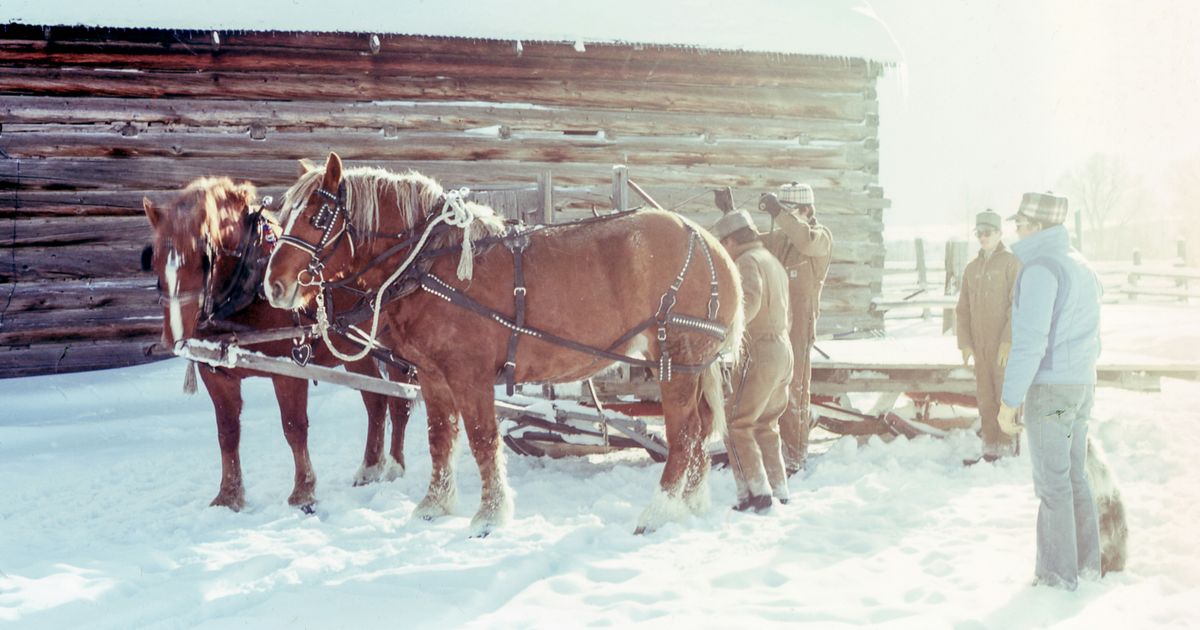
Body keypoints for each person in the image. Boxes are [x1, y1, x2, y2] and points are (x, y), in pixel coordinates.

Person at [997, 191, 1103, 590]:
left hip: (1053, 397)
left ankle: (1058, 576)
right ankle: (1088, 565)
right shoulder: (1081, 264)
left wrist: (1009, 402)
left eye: (1020, 224)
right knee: (1075, 476)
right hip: (1079, 389)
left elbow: (1030, 343)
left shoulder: (1041, 268)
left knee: (1053, 481)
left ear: (1037, 227)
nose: (1016, 231)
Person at [712, 209, 793, 512]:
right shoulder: (772, 261)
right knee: (765, 424)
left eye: (723, 245)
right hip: (782, 349)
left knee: (736, 423)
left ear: (731, 241)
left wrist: (724, 338)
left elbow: (750, 302)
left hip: (758, 350)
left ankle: (757, 493)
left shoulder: (746, 262)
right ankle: (779, 489)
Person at [758, 183, 833, 475]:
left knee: (795, 389)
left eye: (789, 211)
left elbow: (804, 240)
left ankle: (795, 456)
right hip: (776, 321)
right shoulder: (781, 240)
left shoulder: (820, 237)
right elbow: (748, 241)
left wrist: (777, 211)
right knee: (772, 386)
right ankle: (774, 451)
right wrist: (730, 213)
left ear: (806, 210)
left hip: (801, 323)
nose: (782, 218)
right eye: (782, 212)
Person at [956, 209, 1021, 464]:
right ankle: (990, 447)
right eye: (979, 233)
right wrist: (965, 343)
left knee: (1004, 396)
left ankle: (1006, 449)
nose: (983, 237)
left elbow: (1017, 305)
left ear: (999, 233)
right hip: (980, 347)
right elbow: (962, 309)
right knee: (985, 398)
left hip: (1003, 347)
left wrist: (1008, 338)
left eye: (988, 233)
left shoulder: (1011, 263)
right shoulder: (972, 269)